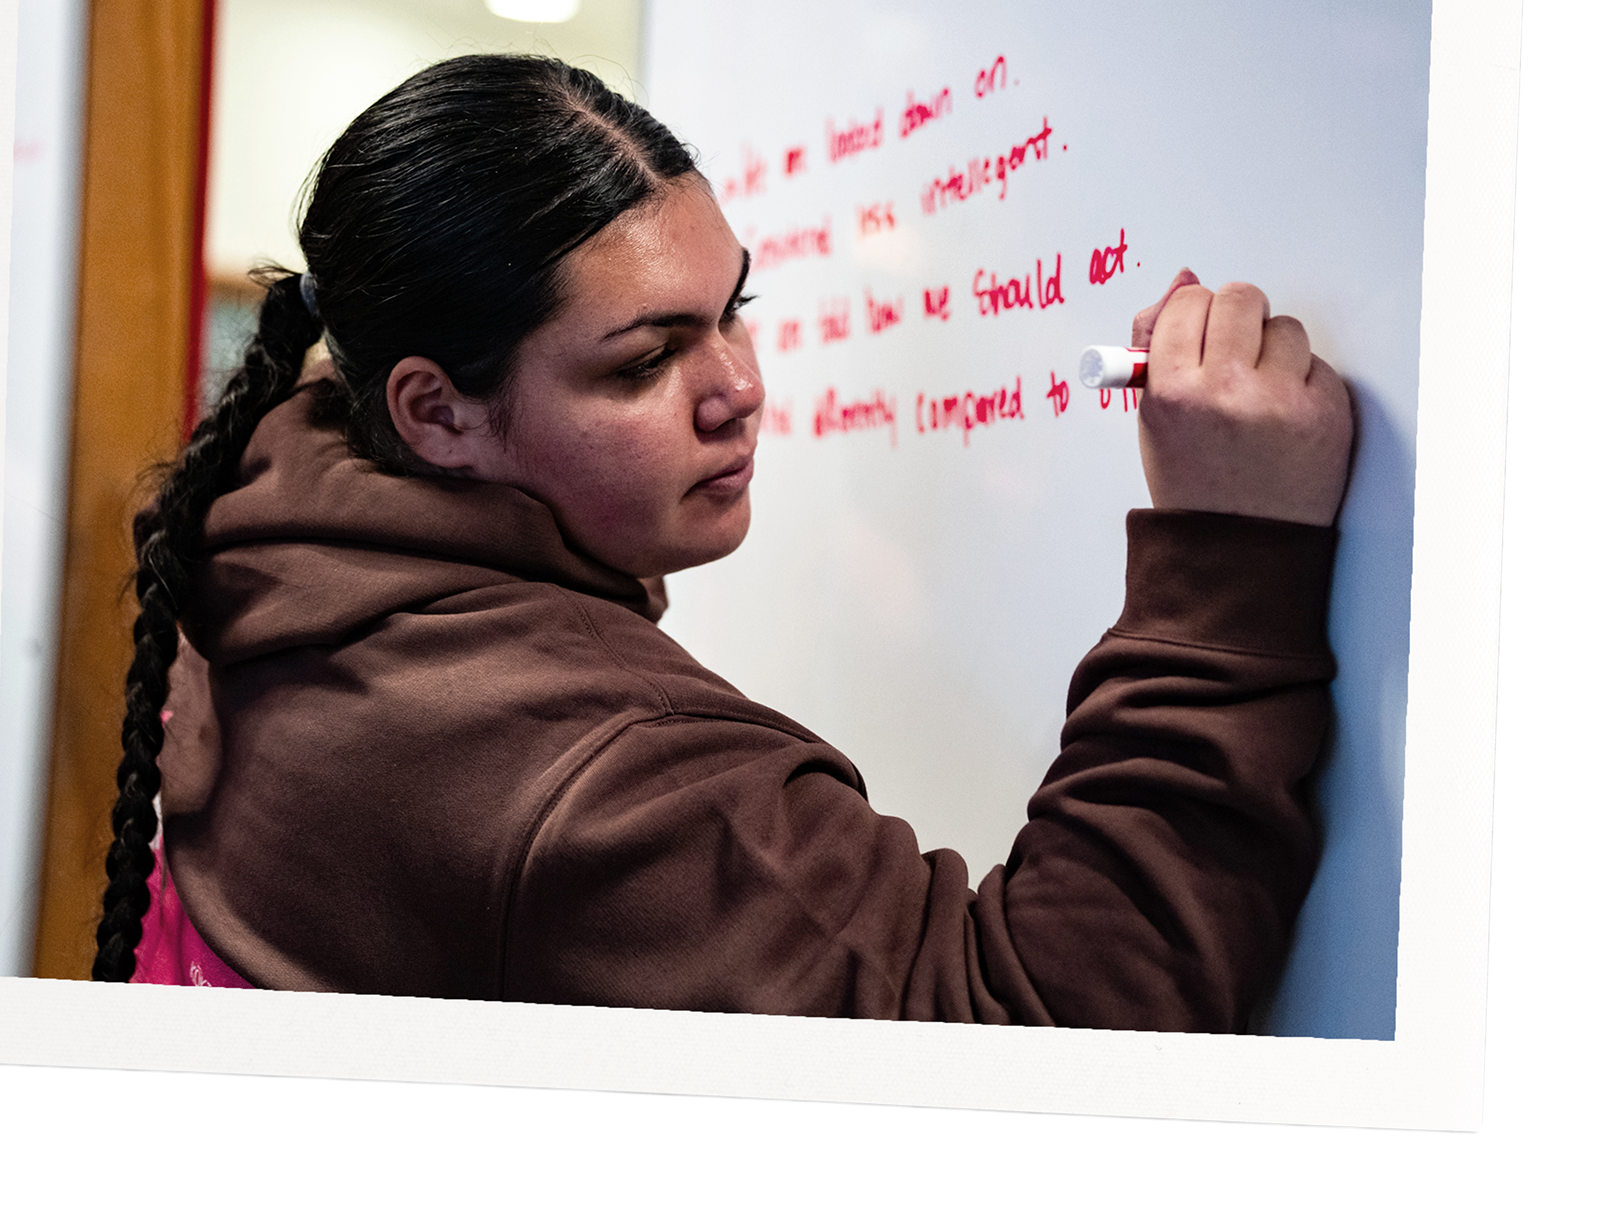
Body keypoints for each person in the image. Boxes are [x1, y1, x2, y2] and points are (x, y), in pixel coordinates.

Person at [94, 54, 1353, 1032]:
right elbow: (1052, 1028)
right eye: (645, 358)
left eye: (731, 311)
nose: (738, 386)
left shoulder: (274, 522)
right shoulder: (585, 771)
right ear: (437, 411)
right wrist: (1225, 555)